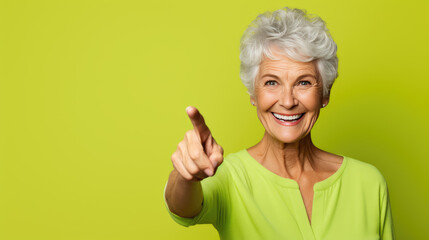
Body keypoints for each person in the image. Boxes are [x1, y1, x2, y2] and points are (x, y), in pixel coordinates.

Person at [164, 7, 395, 240]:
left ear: (324, 94)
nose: (287, 101)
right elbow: (182, 207)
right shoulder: (229, 176)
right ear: (253, 94)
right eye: (271, 83)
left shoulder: (368, 183)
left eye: (303, 83)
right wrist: (185, 176)